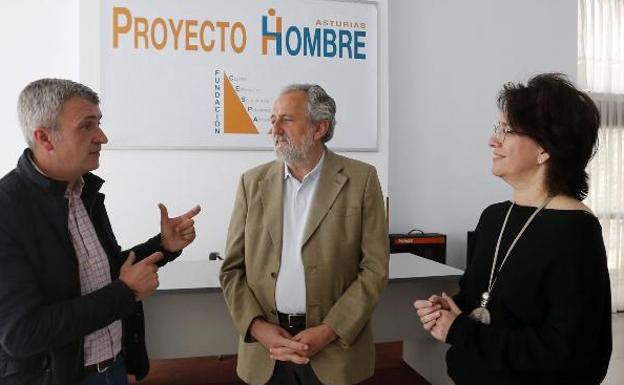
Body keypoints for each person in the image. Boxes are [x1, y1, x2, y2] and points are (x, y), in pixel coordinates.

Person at [414, 73, 612, 385]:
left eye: (507, 131)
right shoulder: (493, 217)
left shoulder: (575, 232)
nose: (493, 140)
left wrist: (462, 330)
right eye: (498, 128)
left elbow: (567, 353)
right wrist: (454, 309)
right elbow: (483, 298)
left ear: (545, 149)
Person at [0, 78, 201, 385]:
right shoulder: (8, 209)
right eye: (87, 126)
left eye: (100, 123)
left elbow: (100, 273)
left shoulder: (83, 193)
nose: (102, 137)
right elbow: (22, 333)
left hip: (113, 369)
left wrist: (163, 246)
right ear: (45, 137)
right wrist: (125, 293)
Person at [220, 84, 389, 385]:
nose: (274, 129)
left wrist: (328, 331)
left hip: (335, 350)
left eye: (286, 119)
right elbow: (232, 269)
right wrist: (258, 328)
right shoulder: (252, 183)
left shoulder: (361, 179)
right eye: (272, 119)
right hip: (266, 352)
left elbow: (375, 269)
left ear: (319, 127)